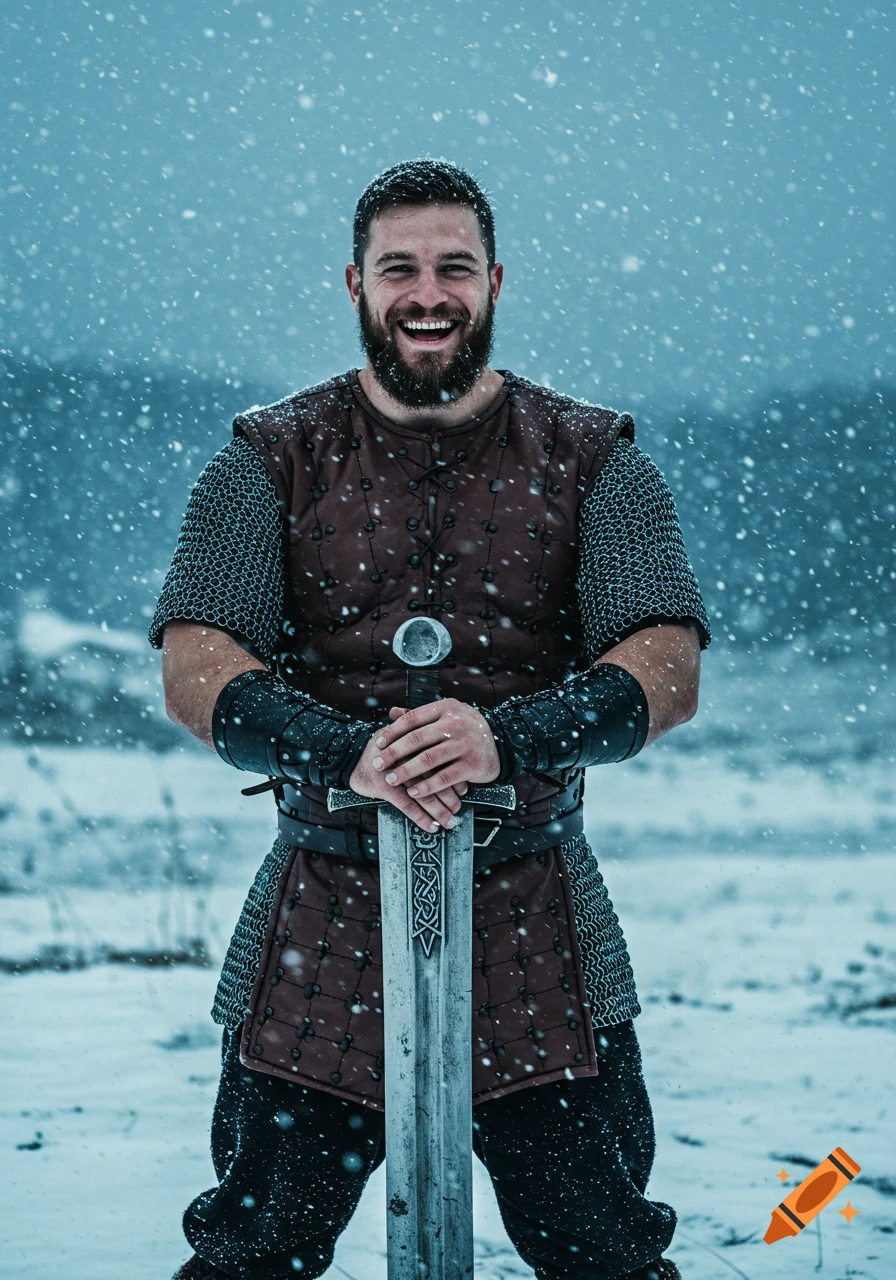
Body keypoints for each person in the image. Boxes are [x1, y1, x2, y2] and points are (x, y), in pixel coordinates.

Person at [150, 160, 711, 1280]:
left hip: (533, 909)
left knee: (602, 1248)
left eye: (453, 265)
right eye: (398, 267)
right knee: (251, 1250)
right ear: (353, 283)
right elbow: (196, 661)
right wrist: (347, 751)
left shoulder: (590, 452)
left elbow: (665, 660)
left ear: (492, 279)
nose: (427, 291)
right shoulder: (270, 452)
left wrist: (506, 737)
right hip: (322, 906)